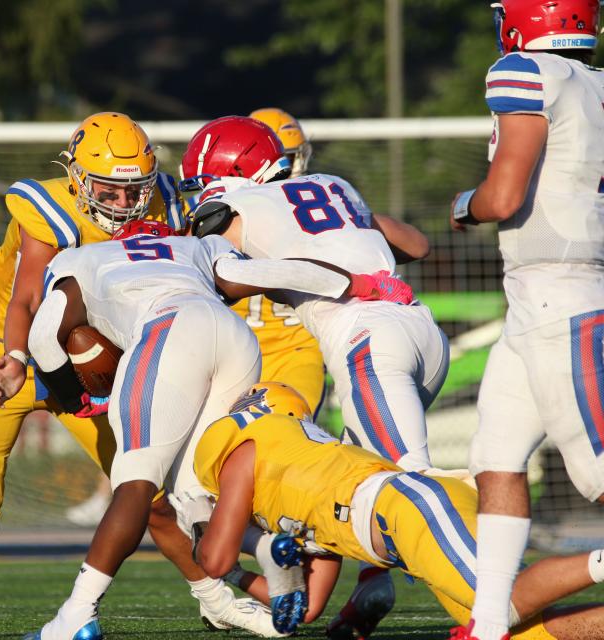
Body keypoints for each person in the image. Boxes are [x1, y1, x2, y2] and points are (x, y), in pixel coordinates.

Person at [0, 219, 412, 640]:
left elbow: (46, 335)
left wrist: (75, 397)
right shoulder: (196, 248)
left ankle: (76, 615)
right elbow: (276, 272)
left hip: (165, 329)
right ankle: (270, 547)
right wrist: (358, 284)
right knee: (196, 496)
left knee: (135, 482)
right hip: (234, 338)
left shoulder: (83, 258)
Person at [0, 112, 186, 639]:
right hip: (8, 351)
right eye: (109, 191)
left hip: (92, 362)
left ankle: (219, 596)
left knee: (153, 491)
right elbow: (25, 298)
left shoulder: (165, 205)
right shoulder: (49, 212)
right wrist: (17, 359)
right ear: (78, 179)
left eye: (132, 190)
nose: (122, 204)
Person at [182, 115, 449, 638]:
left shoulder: (232, 206)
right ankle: (370, 586)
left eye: (201, 180)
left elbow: (224, 259)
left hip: (369, 341)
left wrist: (242, 277)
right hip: (421, 332)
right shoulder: (336, 186)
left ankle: (494, 612)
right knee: (350, 490)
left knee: (416, 495)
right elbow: (417, 246)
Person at [188, 381, 604, 640]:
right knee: (521, 633)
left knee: (500, 604)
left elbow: (215, 555)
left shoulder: (247, 449)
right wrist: (241, 574)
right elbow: (306, 606)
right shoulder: (301, 476)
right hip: (409, 522)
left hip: (407, 507)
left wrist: (208, 544)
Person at [449, 2, 604, 639]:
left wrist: (466, 204)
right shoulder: (593, 82)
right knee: (496, 456)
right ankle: (487, 626)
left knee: (598, 473)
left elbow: (504, 195)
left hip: (559, 300)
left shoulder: (524, 68)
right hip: (543, 296)